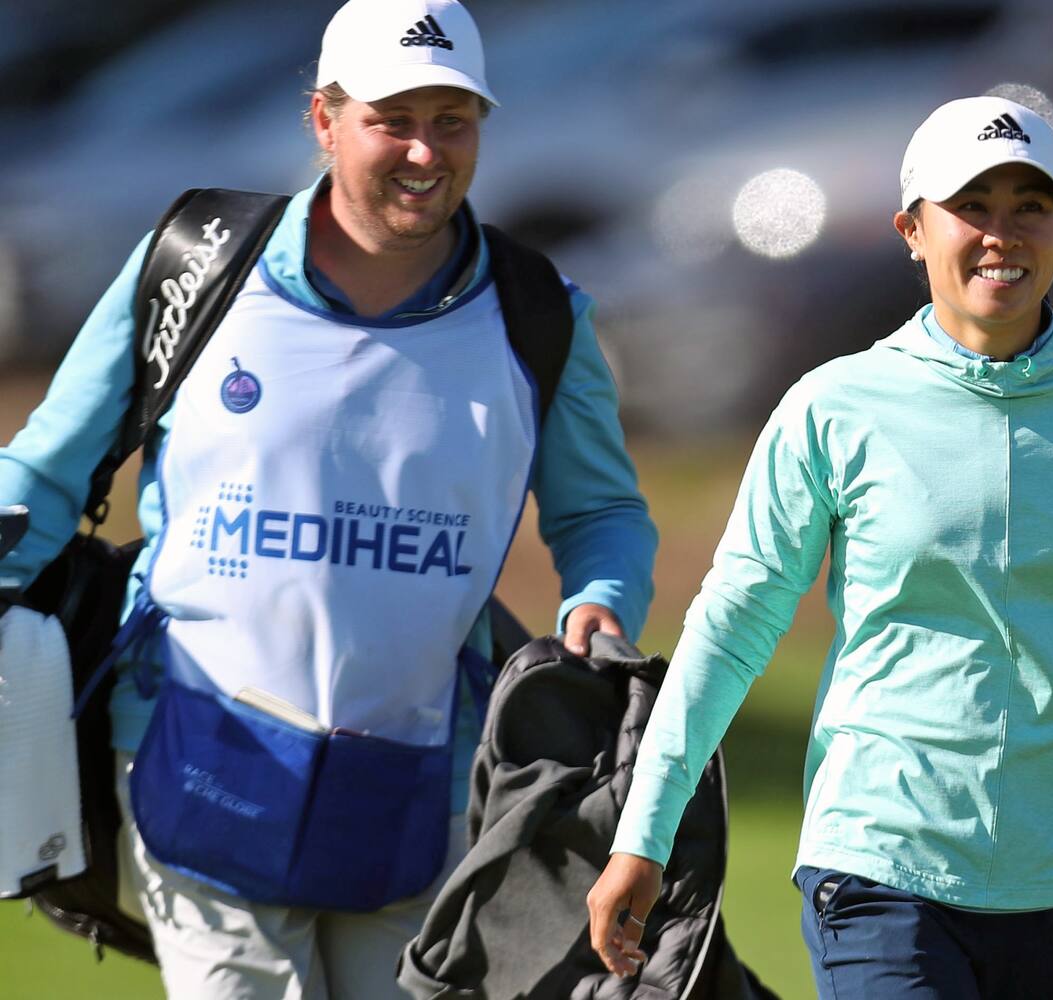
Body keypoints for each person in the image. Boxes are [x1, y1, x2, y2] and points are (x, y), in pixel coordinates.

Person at [0, 0, 656, 997]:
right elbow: (46, 472)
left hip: (427, 780)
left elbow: (600, 513)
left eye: (453, 120)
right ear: (324, 119)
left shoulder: (536, 314)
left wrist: (599, 597)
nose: (425, 151)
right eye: (394, 119)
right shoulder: (200, 264)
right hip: (191, 743)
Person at [586, 95, 1053, 999]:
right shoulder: (833, 407)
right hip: (880, 861)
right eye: (971, 207)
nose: (1001, 235)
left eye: (1029, 206)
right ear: (912, 230)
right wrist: (642, 836)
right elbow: (734, 623)